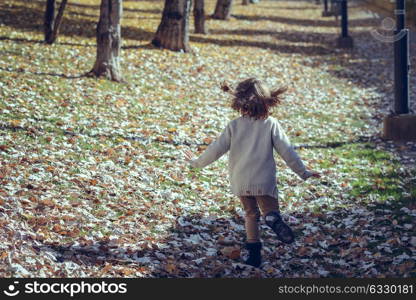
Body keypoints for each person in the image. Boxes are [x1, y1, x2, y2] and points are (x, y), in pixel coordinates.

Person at [183, 78, 320, 268]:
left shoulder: (234, 126)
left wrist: (196, 163)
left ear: (239, 101)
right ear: (267, 101)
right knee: (269, 211)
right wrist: (303, 172)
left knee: (250, 215)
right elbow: (287, 151)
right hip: (263, 181)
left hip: (241, 180)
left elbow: (216, 149)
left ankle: (254, 255)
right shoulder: (270, 124)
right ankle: (273, 219)